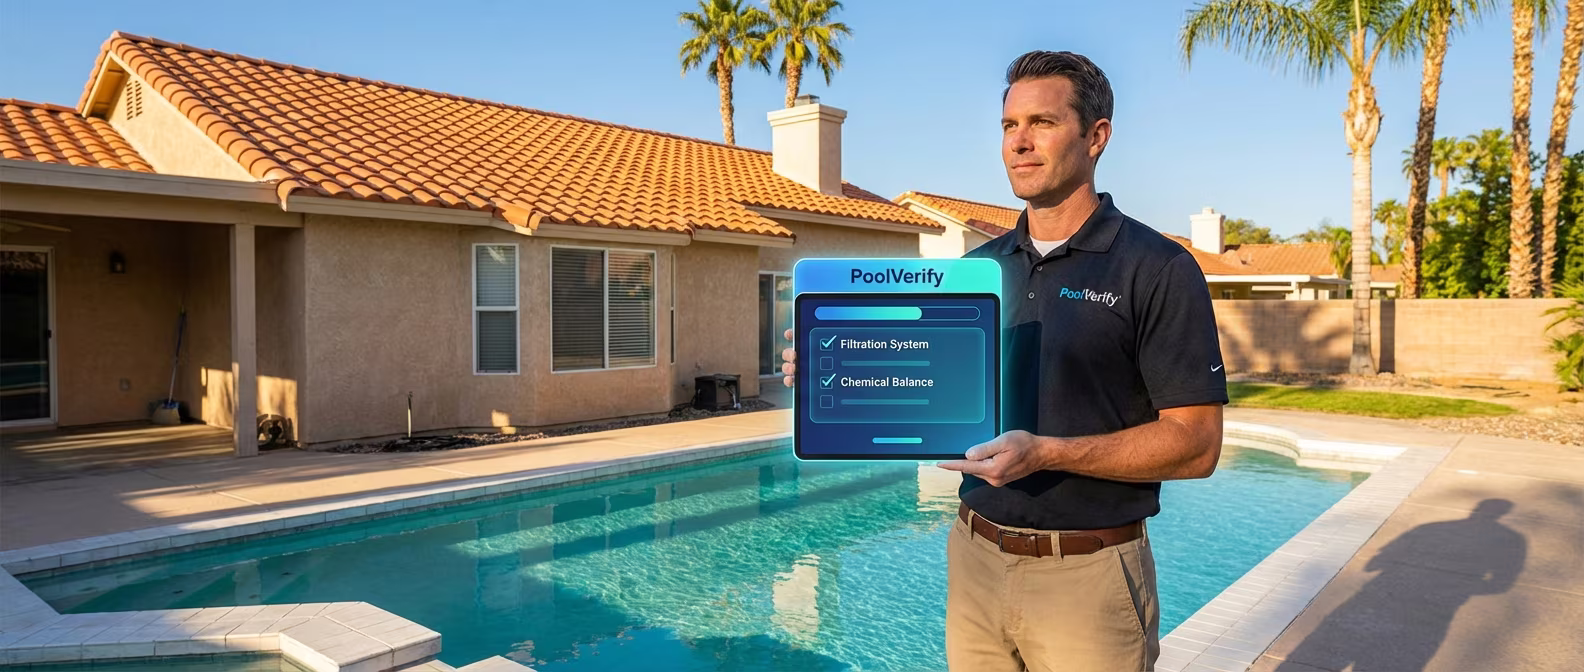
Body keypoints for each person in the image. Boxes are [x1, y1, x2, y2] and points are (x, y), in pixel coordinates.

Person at [781, 50, 1227, 671]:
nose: (1019, 142)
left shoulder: (1157, 268)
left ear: (1096, 137)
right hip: (974, 558)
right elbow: (924, 385)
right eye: (1008, 126)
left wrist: (1048, 452)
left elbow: (1197, 444)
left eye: (1041, 123)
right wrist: (834, 369)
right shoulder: (974, 273)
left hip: (1087, 575)